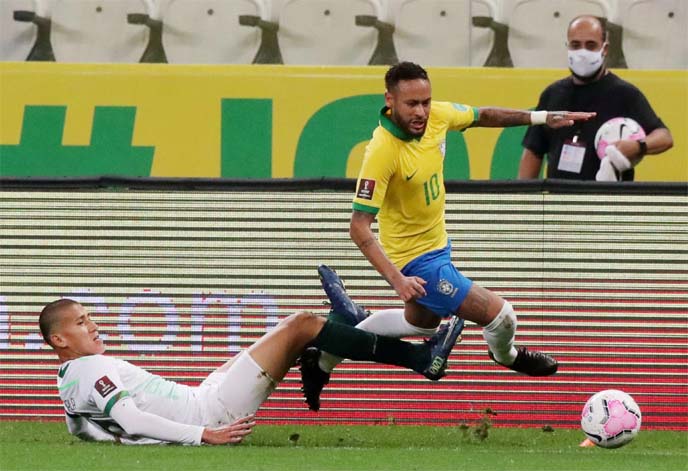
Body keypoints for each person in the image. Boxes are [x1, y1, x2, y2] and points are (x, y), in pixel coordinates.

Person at [299, 61, 596, 411]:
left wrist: (541, 118)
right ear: (390, 100)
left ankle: (322, 361)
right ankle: (507, 356)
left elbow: (483, 115)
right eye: (412, 104)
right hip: (416, 261)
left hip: (438, 246)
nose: (422, 111)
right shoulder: (381, 151)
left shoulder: (437, 115)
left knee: (420, 323)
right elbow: (358, 226)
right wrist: (398, 280)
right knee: (502, 316)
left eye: (426, 101)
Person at [40, 296, 457, 445]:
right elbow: (127, 417)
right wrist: (203, 434)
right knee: (302, 326)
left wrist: (124, 445)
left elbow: (79, 428)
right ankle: (419, 359)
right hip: (211, 412)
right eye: (80, 322)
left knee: (296, 332)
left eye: (89, 316)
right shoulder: (92, 369)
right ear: (59, 340)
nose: (92, 324)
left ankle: (341, 330)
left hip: (204, 395)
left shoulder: (68, 379)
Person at [519, 15, 673, 181]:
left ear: (605, 49)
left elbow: (664, 137)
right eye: (575, 45)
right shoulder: (552, 93)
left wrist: (638, 146)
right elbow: (534, 150)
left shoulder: (625, 94)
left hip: (608, 201)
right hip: (560, 198)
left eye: (591, 45)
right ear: (567, 46)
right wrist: (524, 199)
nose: (582, 52)